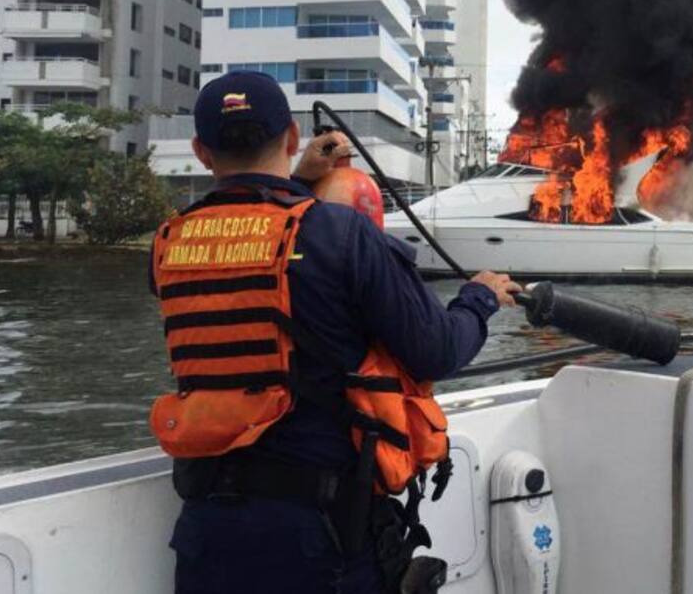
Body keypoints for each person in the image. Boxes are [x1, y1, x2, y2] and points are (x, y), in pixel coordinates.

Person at [149, 70, 520, 593]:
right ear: (294, 138)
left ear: (200, 152)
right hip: (320, 538)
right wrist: (479, 300)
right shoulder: (341, 234)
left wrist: (295, 182)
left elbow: (248, 263)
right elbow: (435, 351)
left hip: (207, 532)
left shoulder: (168, 246)